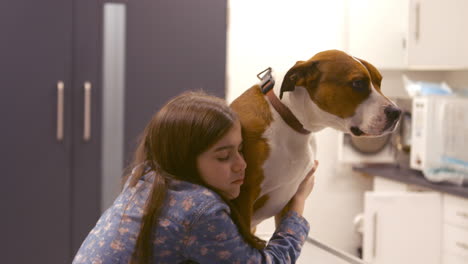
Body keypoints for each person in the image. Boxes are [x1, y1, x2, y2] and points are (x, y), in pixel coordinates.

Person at [73, 91, 318, 264]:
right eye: (223, 157)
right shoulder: (200, 211)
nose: (241, 165)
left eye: (241, 150)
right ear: (185, 160)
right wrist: (297, 204)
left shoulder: (146, 177)